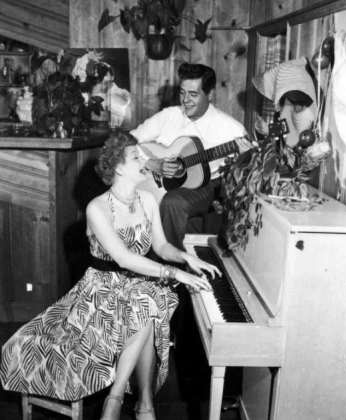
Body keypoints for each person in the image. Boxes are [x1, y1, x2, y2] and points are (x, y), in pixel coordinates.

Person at [0, 132, 220, 420]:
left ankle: (121, 401)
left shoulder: (148, 200)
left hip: (138, 285)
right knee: (148, 303)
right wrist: (175, 273)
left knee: (147, 299)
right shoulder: (98, 208)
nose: (145, 161)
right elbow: (124, 258)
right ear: (118, 168)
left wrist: (185, 257)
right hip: (100, 291)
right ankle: (137, 403)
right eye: (137, 157)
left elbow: (161, 246)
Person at [130, 63, 253, 251]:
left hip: (209, 183)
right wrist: (149, 162)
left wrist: (246, 158)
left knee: (173, 202)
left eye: (193, 94)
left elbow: (247, 171)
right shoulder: (169, 115)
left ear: (210, 94)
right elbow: (126, 141)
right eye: (182, 92)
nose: (185, 100)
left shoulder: (232, 129)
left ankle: (171, 263)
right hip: (157, 180)